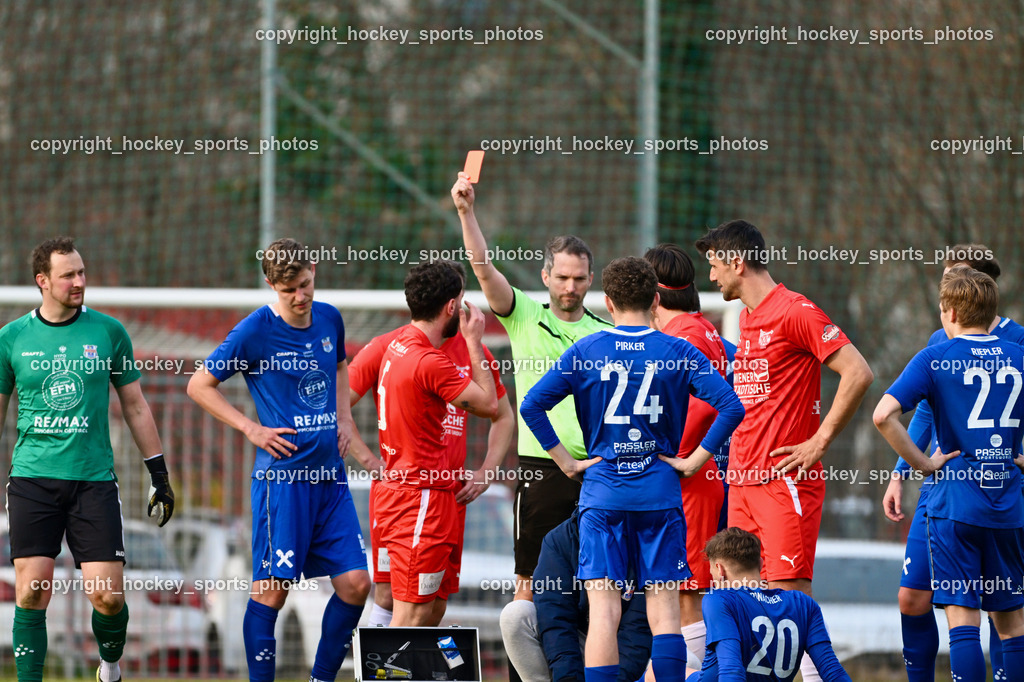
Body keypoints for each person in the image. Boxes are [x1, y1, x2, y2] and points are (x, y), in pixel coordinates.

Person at [521, 256, 744, 682]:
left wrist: (565, 461)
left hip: (603, 496)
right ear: (655, 298)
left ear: (607, 301)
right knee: (664, 609)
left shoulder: (586, 349)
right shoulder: (677, 350)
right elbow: (732, 406)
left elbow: (532, 406)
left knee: (603, 611)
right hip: (659, 494)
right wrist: (696, 459)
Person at [695, 220, 873, 682]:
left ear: (737, 262)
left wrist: (821, 440)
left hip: (783, 484)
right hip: (741, 482)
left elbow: (858, 372)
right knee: (735, 601)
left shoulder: (795, 310)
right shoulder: (750, 317)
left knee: (790, 603)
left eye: (714, 265)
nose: (711, 277)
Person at [186, 238, 370, 682]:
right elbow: (198, 385)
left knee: (356, 585)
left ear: (313, 271)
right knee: (272, 593)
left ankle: (320, 679)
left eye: (306, 284)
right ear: (271, 285)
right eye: (290, 290)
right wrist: (252, 429)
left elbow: (342, 366)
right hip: (283, 482)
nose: (301, 297)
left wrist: (345, 419)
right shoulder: (254, 331)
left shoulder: (329, 318)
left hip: (331, 479)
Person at [0, 236, 175, 682]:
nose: (79, 282)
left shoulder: (109, 332)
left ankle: (109, 668)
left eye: (82, 273)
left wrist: (159, 473)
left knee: (108, 599)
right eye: (68, 275)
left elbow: (134, 406)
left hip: (93, 481)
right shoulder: (12, 339)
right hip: (33, 479)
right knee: (32, 591)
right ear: (42, 281)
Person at [451, 174, 611, 606]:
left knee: (598, 589)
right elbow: (483, 270)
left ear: (590, 279)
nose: (569, 287)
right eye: (562, 277)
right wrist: (467, 213)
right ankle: (527, 677)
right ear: (546, 276)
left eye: (578, 278)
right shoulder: (523, 314)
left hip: (598, 471)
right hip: (542, 466)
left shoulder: (606, 333)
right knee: (529, 583)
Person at [873, 265, 1024, 682]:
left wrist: (921, 464)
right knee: (1011, 622)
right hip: (1008, 507)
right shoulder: (1019, 355)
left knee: (963, 620)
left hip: (955, 505)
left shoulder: (936, 356)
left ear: (950, 312)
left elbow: (884, 415)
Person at [347, 266, 514, 626]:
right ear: (452, 306)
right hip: (418, 495)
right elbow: (335, 404)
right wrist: (365, 457)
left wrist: (487, 472)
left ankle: (383, 671)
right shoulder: (399, 349)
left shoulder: (452, 352)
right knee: (406, 605)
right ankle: (381, 675)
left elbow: (504, 417)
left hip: (445, 497)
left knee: (431, 606)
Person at [644, 243, 729, 668]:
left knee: (687, 596)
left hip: (689, 479)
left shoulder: (688, 335)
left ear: (654, 296)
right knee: (678, 594)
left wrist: (670, 453)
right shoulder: (697, 329)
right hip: (691, 478)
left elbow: (709, 403)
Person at [500, 509, 652, 682]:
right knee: (516, 614)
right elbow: (556, 620)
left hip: (624, 652)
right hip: (580, 641)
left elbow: (638, 630)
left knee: (686, 661)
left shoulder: (645, 539)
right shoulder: (561, 539)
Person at [684, 528, 851, 681]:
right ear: (761, 564)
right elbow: (833, 672)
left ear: (720, 570)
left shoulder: (719, 599)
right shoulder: (804, 603)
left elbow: (732, 671)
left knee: (662, 668)